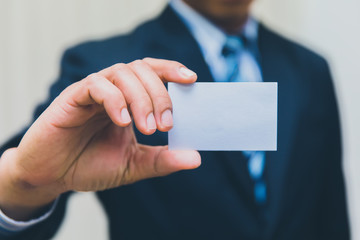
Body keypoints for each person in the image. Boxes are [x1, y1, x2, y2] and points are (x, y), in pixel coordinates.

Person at [0, 0, 350, 239]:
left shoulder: (310, 70)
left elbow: (331, 214)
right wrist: (24, 185)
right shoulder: (103, 69)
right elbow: (32, 170)